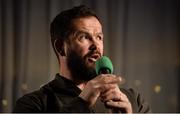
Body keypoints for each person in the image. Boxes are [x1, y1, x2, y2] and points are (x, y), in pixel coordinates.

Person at [13, 5, 150, 113]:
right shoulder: (33, 104)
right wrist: (82, 103)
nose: (96, 46)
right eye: (84, 37)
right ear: (61, 47)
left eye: (99, 37)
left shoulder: (133, 101)